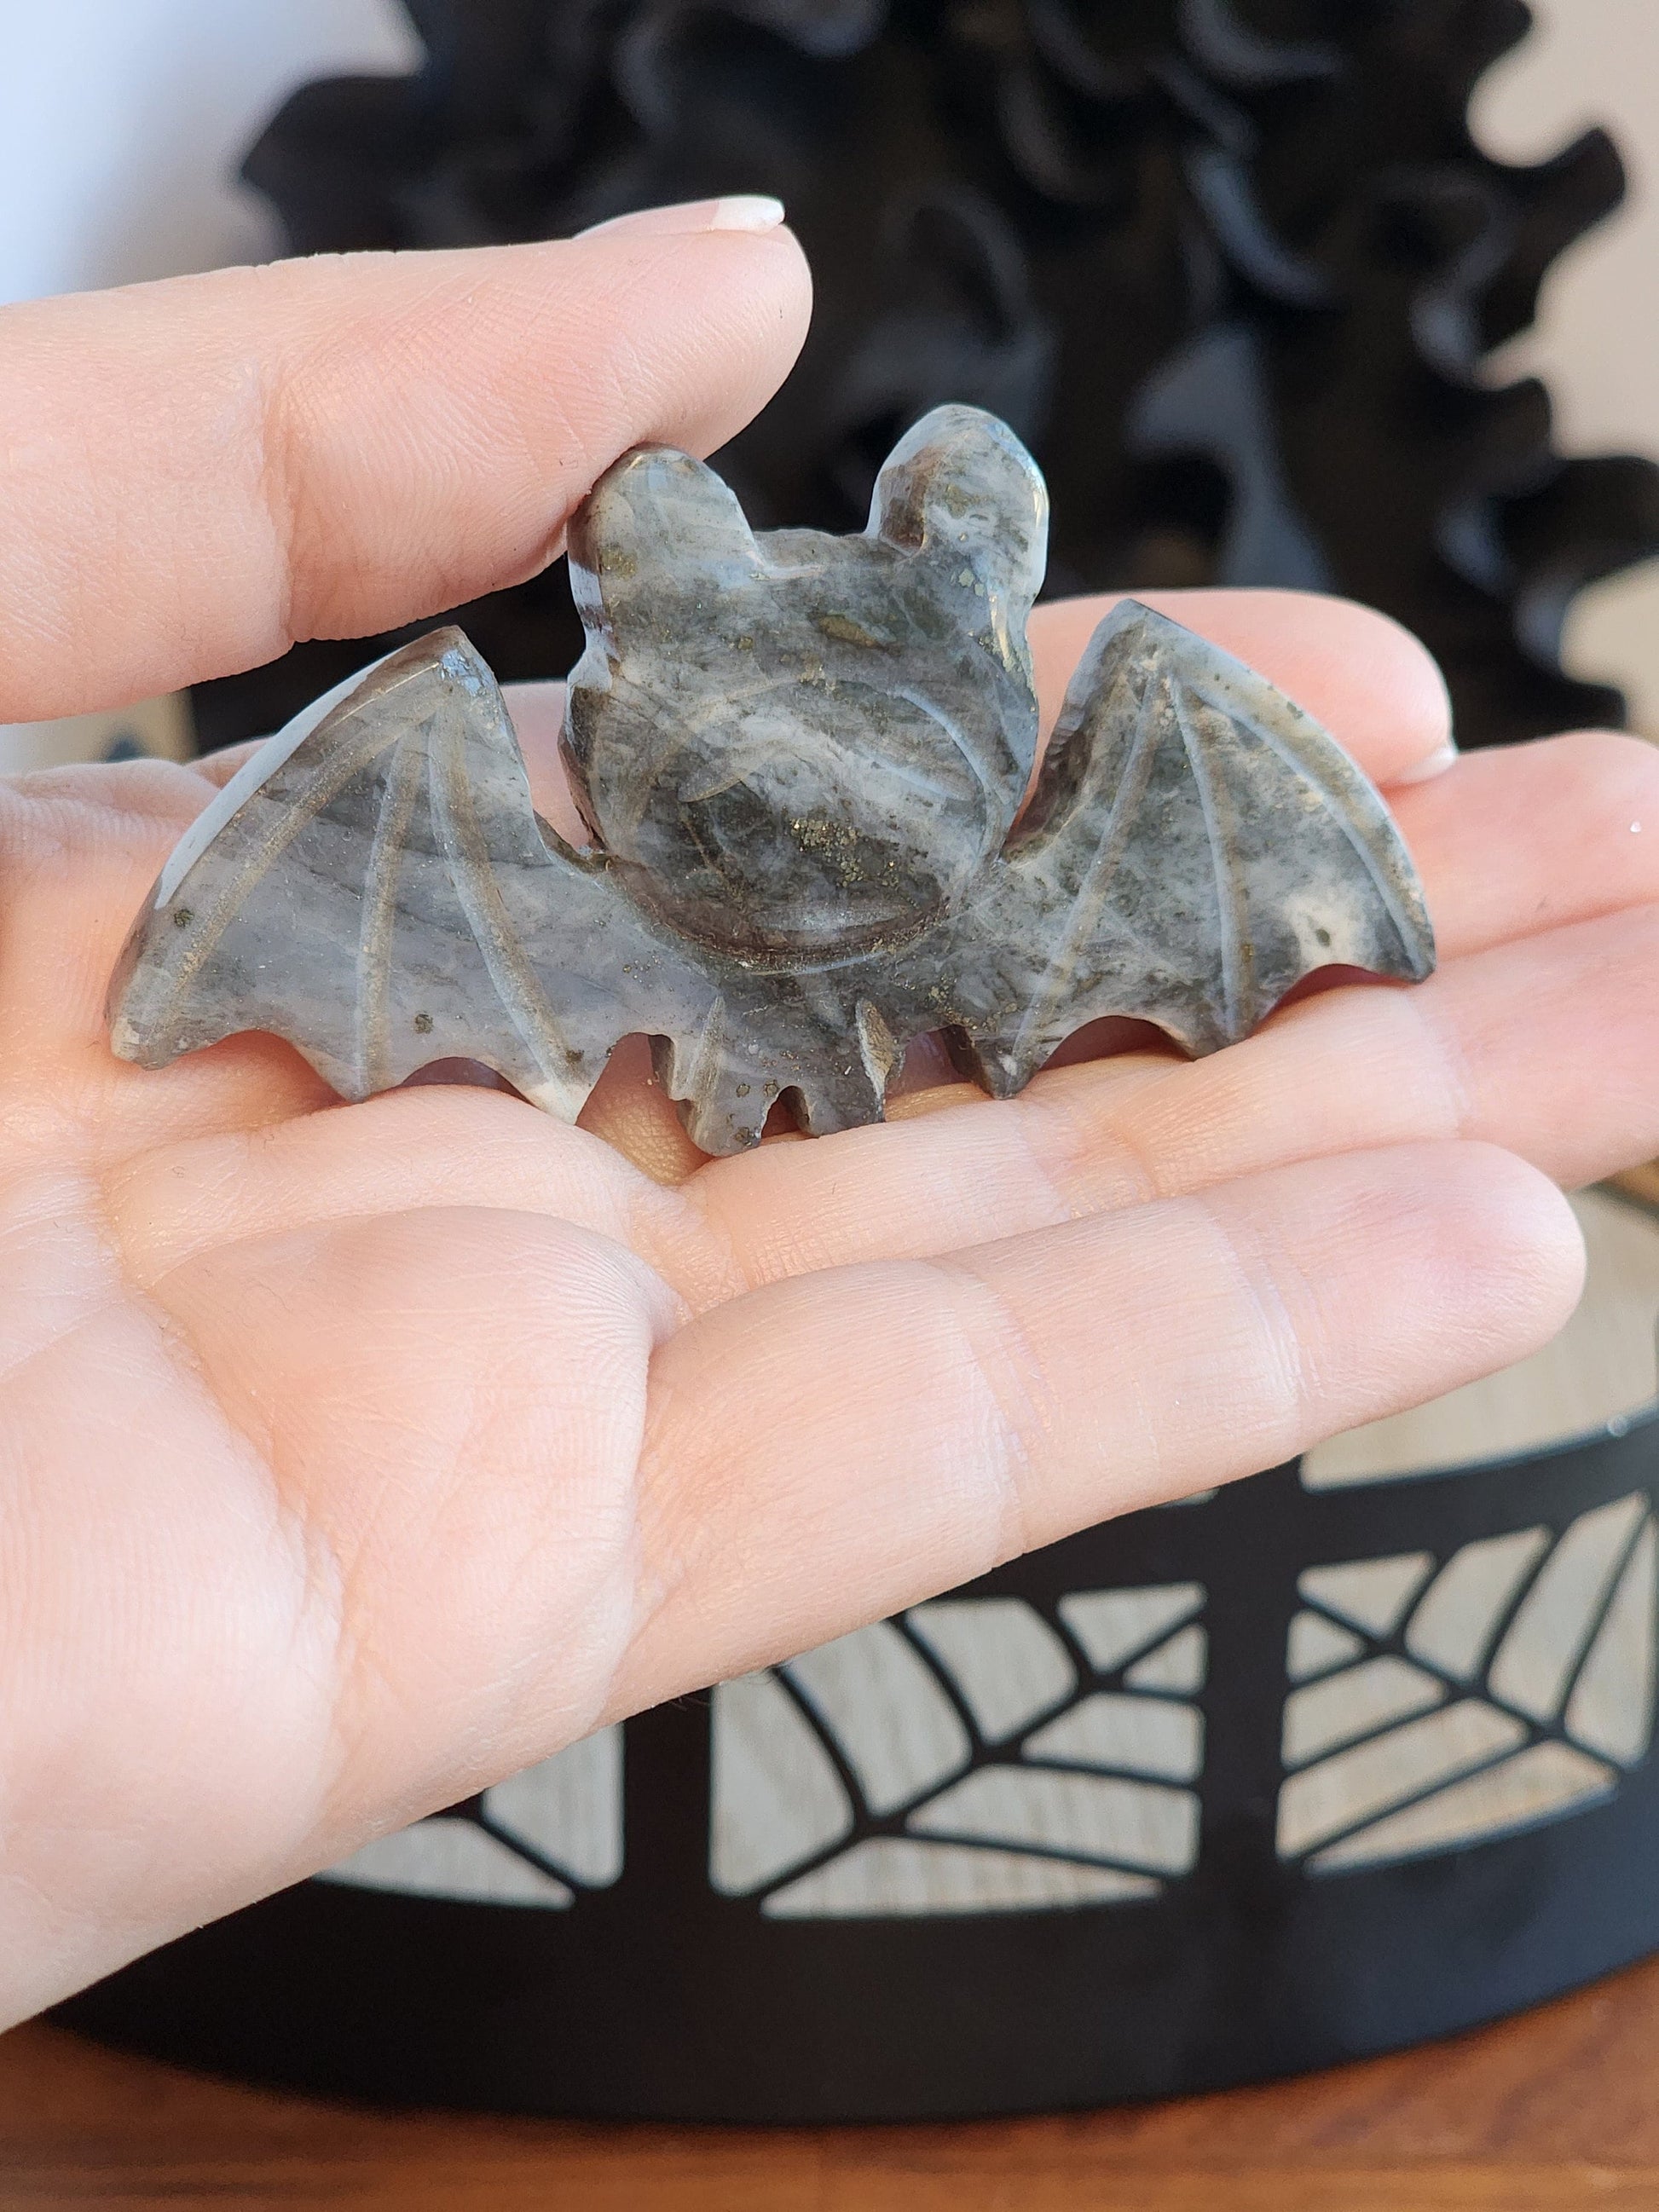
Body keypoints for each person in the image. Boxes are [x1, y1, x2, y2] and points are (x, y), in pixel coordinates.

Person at [1, 195, 1653, 2029]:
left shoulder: (1130, 744)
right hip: (658, 967)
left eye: (864, 767)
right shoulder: (426, 793)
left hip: (919, 965)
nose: (812, 808)